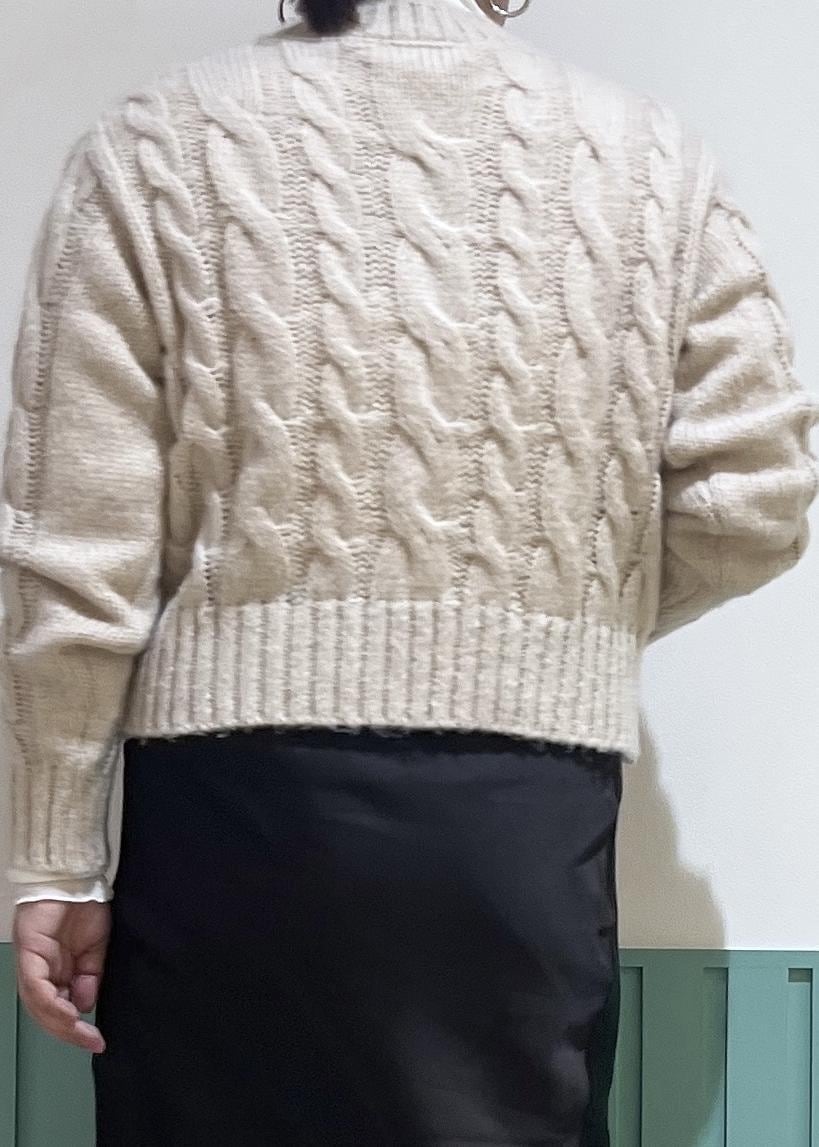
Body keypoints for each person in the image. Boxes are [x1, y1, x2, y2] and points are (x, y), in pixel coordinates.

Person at [2, 0, 818, 1139]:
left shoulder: (156, 144)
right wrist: (552, 625)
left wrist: (54, 857)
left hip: (234, 812)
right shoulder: (650, 160)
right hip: (526, 822)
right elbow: (755, 505)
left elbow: (76, 551)